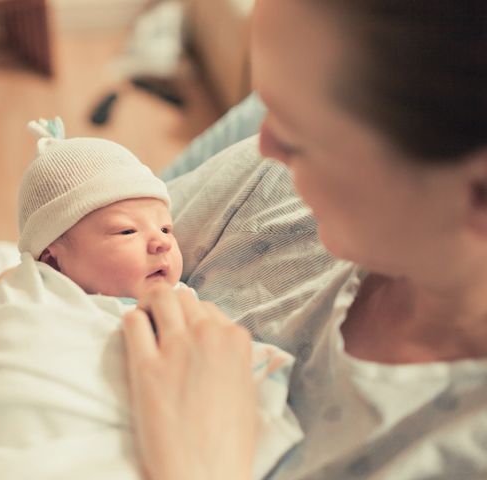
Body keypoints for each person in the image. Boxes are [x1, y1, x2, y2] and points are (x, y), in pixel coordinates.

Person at [121, 0, 487, 479]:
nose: (263, 142)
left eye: (298, 135)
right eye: (266, 106)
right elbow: (28, 275)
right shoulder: (265, 183)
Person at [0, 118, 300, 479]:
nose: (162, 240)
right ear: (52, 258)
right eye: (126, 231)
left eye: (167, 227)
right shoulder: (31, 291)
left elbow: (214, 370)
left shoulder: (177, 303)